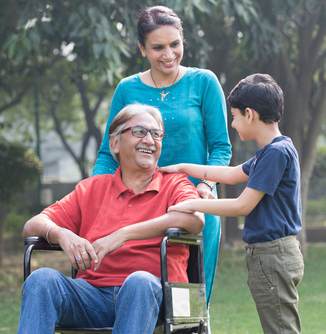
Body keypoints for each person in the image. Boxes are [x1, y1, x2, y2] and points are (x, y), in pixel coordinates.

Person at [17, 104, 204, 334]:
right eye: (139, 132)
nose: (149, 140)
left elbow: (195, 220)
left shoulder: (175, 184)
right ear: (115, 143)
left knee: (139, 282)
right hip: (93, 297)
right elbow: (32, 225)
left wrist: (123, 234)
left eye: (156, 134)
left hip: (156, 295)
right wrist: (62, 234)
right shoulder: (91, 189)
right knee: (41, 280)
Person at [92, 5, 232, 306]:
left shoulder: (203, 82)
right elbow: (108, 153)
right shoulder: (127, 89)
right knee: (141, 298)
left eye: (175, 44)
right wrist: (94, 195)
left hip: (193, 206)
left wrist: (205, 187)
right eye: (158, 47)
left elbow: (221, 147)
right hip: (138, 207)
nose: (168, 54)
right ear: (142, 48)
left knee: (188, 306)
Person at [159, 73, 305, 334]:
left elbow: (241, 206)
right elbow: (230, 173)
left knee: (281, 330)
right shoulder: (272, 151)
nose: (234, 124)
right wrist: (182, 167)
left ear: (249, 114)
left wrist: (191, 204)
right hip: (270, 255)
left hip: (273, 256)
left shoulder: (275, 153)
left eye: (235, 116)